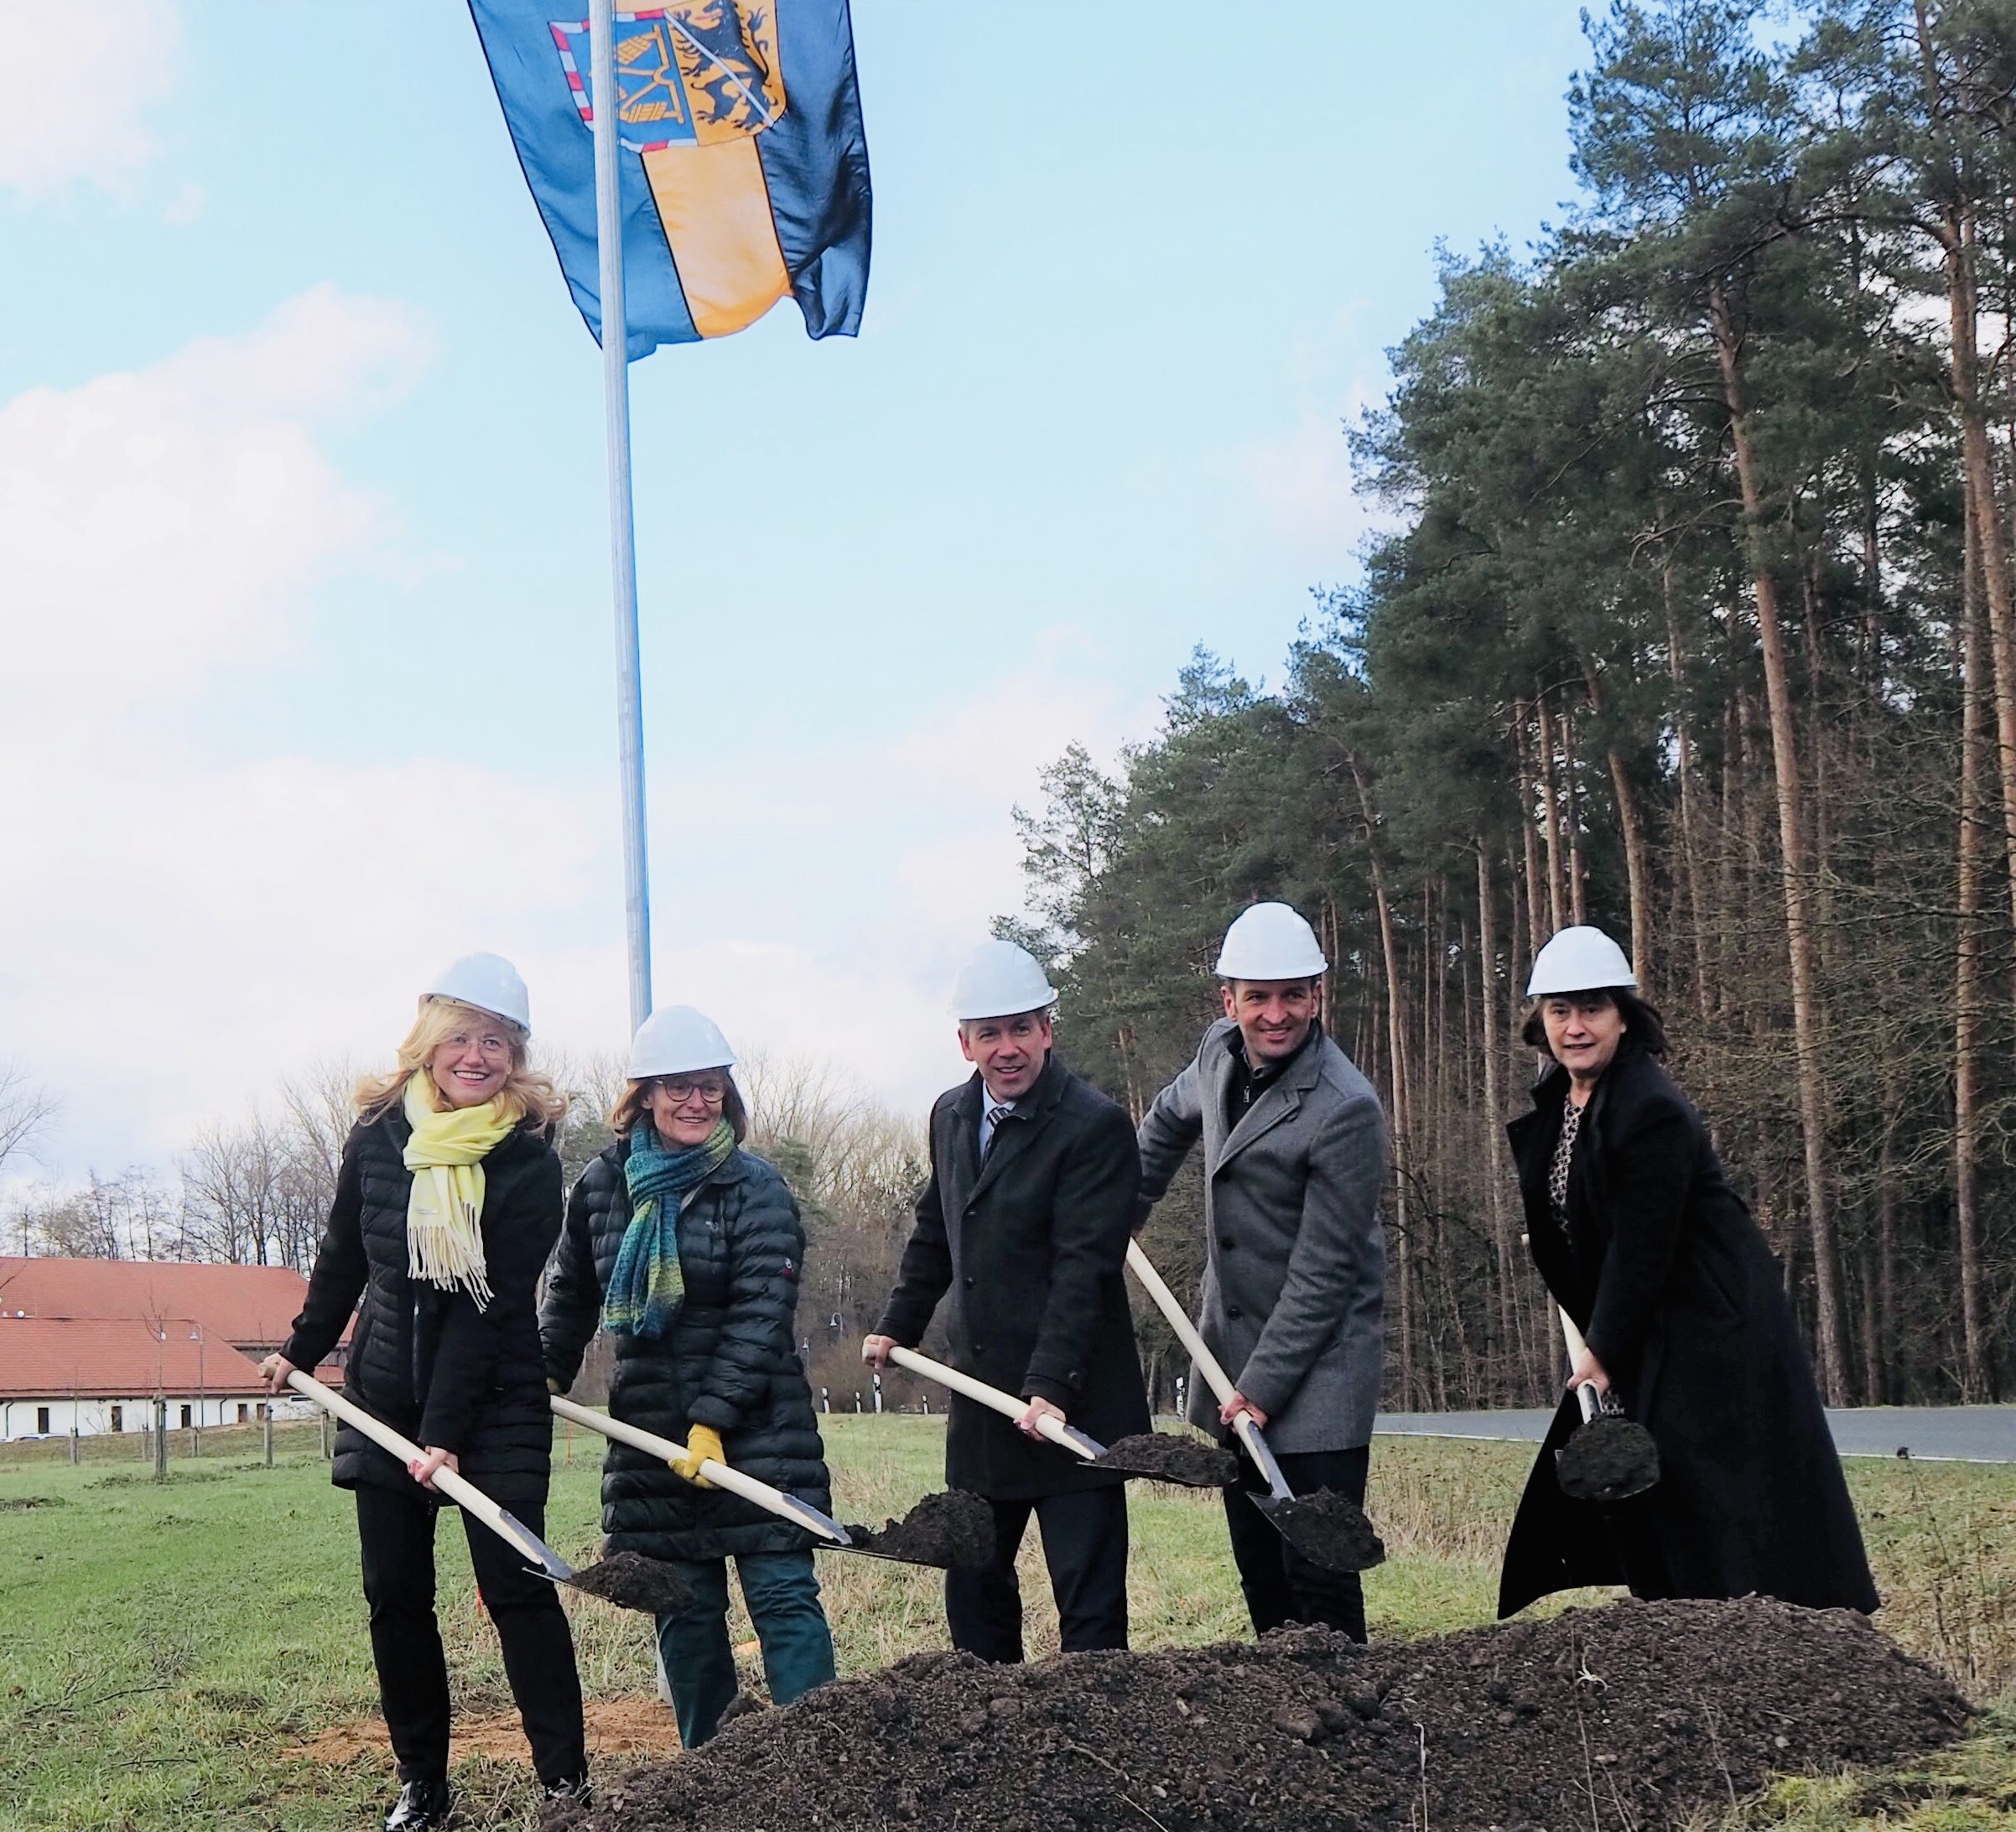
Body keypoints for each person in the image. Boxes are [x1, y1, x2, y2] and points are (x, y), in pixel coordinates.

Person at [258, 953, 588, 1831]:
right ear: (428, 1040)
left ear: (515, 1057)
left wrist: (445, 1431)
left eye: (496, 1041)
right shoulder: (376, 1136)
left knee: (516, 1585)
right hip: (381, 1395)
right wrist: (299, 1348)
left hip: (494, 1398)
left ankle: (565, 1784)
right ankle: (424, 1786)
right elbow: (341, 1258)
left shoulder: (527, 1164)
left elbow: (484, 1309)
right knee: (395, 1594)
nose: (476, 1055)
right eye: (461, 1036)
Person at [1497, 925, 1878, 1618]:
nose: (1575, 1027)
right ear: (1540, 1019)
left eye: (1592, 1009)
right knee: (1659, 1492)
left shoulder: (1650, 1107)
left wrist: (1602, 1350)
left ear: (1623, 1016)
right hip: (1648, 1322)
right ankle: (1682, 1627)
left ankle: (1765, 1635)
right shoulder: (1563, 1098)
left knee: (1715, 1489)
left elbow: (1646, 1245)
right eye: (1560, 1010)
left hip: (1709, 1323)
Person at [540, 1005, 836, 1750]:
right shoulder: (605, 1185)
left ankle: (822, 1762)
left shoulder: (756, 1187)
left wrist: (714, 1419)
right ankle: (712, 1771)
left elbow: (762, 1314)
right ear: (643, 1093)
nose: (696, 1102)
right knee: (684, 1610)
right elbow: (574, 1291)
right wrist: (543, 1371)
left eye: (710, 1087)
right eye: (678, 1087)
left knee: (783, 1596)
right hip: (650, 1440)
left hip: (760, 1432)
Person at [863, 939, 1149, 1663]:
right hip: (985, 1402)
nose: (1008, 1048)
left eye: (1022, 1028)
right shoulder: (950, 1116)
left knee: (1088, 1608)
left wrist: (1050, 1387)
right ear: (964, 1042)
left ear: (1048, 1030)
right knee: (977, 1593)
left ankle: (1094, 1740)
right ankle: (993, 1744)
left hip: (1073, 1404)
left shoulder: (1094, 1126)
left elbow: (1084, 1270)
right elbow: (937, 1226)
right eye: (990, 1033)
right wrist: (898, 1323)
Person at [1134, 901, 1388, 1641]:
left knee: (1319, 1570)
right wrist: (1120, 1209)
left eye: (1293, 995)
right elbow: (1164, 1121)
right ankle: (1284, 1729)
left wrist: (1261, 1390)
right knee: (1260, 1567)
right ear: (1229, 1000)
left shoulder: (1345, 1108)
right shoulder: (1217, 1052)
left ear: (1317, 995)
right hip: (1233, 1350)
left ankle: (1352, 1725)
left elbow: (1326, 1271)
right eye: (1258, 996)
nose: (1276, 1014)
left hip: (1318, 1369)